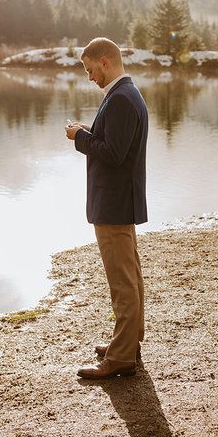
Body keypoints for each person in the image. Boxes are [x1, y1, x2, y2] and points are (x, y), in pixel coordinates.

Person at [65, 37, 149, 380]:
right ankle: (127, 342)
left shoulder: (120, 100)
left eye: (89, 70)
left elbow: (112, 154)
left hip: (113, 203)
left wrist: (79, 139)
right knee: (131, 276)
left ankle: (121, 358)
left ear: (104, 61)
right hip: (120, 200)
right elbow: (115, 141)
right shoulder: (125, 94)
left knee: (122, 282)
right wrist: (88, 129)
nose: (89, 78)